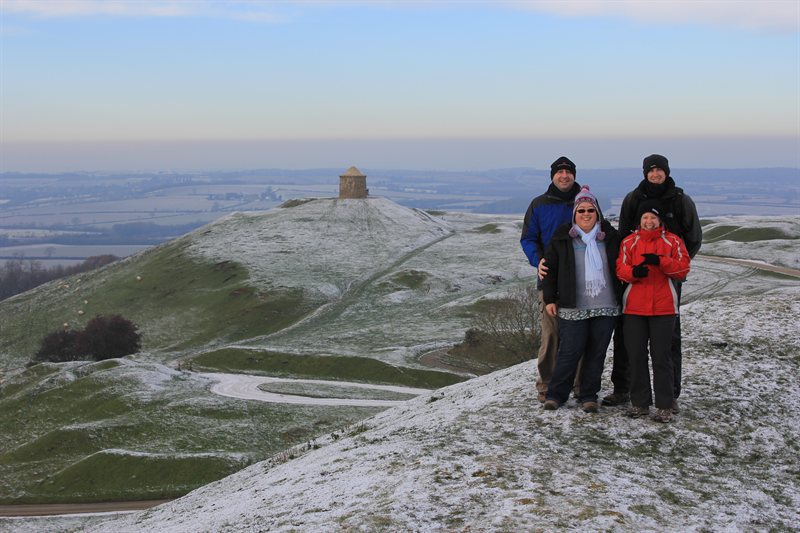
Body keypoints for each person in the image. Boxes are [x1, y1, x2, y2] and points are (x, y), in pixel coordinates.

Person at [603, 154, 702, 410]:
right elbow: (624, 234)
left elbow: (693, 238)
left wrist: (671, 266)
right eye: (651, 170)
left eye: (660, 170)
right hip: (635, 282)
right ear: (645, 172)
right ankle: (625, 389)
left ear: (667, 172)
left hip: (667, 282)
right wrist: (634, 268)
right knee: (628, 340)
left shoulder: (680, 199)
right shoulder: (633, 198)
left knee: (668, 344)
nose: (655, 174)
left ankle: (670, 395)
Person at [541, 186, 622, 413]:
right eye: (581, 210)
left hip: (606, 307)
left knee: (597, 354)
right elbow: (549, 271)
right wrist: (549, 298)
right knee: (570, 352)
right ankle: (556, 395)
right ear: (574, 214)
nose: (586, 214)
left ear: (598, 213)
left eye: (591, 210)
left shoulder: (611, 238)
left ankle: (588, 395)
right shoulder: (562, 238)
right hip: (572, 306)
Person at [616, 201, 690, 422]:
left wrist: (661, 261)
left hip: (664, 308)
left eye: (653, 218)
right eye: (645, 218)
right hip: (634, 308)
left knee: (662, 357)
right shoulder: (629, 242)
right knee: (636, 356)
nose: (649, 222)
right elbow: (620, 269)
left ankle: (665, 405)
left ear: (660, 221)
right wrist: (634, 272)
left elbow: (682, 268)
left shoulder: (673, 241)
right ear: (639, 221)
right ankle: (640, 403)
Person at [520, 156, 582, 403]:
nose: (564, 176)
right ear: (552, 176)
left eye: (568, 172)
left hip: (582, 279)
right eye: (560, 172)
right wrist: (538, 260)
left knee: (579, 335)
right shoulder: (539, 204)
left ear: (574, 175)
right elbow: (528, 238)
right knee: (551, 335)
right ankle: (546, 386)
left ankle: (579, 385)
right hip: (550, 279)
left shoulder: (584, 202)